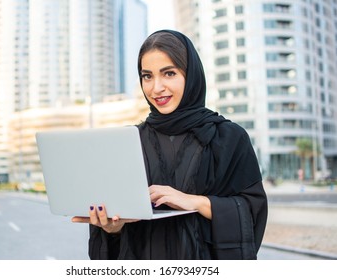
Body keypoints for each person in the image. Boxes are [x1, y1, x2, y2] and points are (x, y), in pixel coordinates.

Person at [72, 30, 268, 260]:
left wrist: (196, 202)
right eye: (147, 76)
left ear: (191, 74)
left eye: (169, 73)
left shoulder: (228, 138)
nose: (156, 88)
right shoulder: (130, 141)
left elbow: (252, 210)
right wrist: (112, 228)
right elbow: (115, 222)